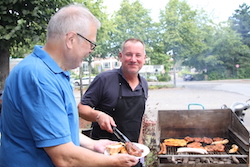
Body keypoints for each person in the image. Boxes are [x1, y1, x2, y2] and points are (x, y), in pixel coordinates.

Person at [0, 4, 139, 167]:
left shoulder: (56, 74)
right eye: (91, 44)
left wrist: (93, 145)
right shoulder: (39, 77)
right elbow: (65, 158)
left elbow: (57, 130)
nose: (91, 50)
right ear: (71, 40)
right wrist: (112, 161)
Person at [78, 38, 148, 167]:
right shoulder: (104, 79)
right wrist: (98, 115)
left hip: (131, 155)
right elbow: (81, 108)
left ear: (144, 58)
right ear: (120, 56)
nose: (133, 59)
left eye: (138, 55)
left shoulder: (143, 83)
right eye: (128, 54)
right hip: (104, 155)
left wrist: (140, 150)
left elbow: (138, 120)